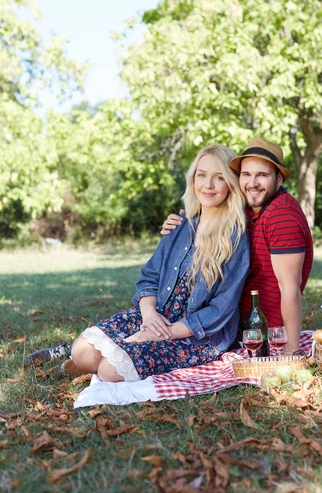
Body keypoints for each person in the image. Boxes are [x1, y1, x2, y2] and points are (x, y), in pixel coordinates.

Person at [65, 144, 250, 382]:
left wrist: (163, 334)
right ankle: (85, 356)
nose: (208, 185)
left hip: (196, 335)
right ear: (193, 179)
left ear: (231, 183)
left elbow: (220, 309)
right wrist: (150, 315)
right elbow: (150, 278)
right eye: (201, 175)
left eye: (219, 177)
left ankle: (112, 357)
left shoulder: (235, 237)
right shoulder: (180, 225)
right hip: (157, 315)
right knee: (81, 352)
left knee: (110, 370)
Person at [161, 138, 313, 354]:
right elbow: (213, 209)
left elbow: (290, 287)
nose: (252, 183)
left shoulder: (281, 216)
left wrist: (291, 348)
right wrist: (180, 222)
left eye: (262, 175)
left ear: (279, 180)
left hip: (256, 332)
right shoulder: (253, 208)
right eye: (246, 174)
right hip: (233, 320)